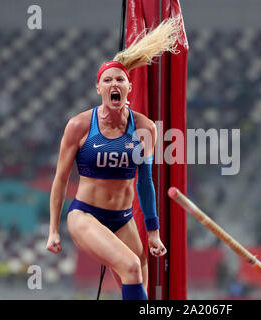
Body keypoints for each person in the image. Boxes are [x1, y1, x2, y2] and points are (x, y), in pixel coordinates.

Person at [46, 17, 182, 300]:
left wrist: (153, 232)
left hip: (123, 219)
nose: (113, 84)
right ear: (99, 90)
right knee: (131, 266)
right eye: (107, 80)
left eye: (119, 79)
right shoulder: (80, 126)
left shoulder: (145, 128)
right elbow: (60, 179)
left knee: (139, 272)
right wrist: (53, 231)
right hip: (85, 215)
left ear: (129, 87)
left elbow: (145, 182)